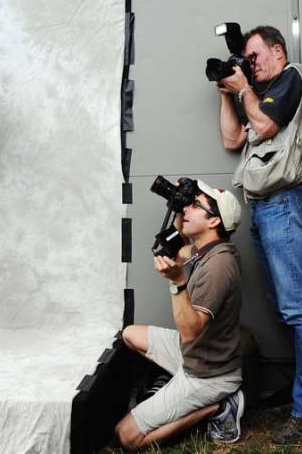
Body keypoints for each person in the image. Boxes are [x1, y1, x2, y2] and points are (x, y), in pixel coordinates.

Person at [216, 25, 302, 443]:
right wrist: (227, 92)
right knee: (288, 307)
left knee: (300, 308)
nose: (249, 65)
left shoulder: (294, 77)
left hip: (288, 201)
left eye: (254, 57)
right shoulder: (260, 97)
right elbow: (234, 137)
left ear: (278, 52)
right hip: (267, 207)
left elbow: (265, 127)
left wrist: (245, 89)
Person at [115, 182, 245, 450]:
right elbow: (175, 244)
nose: (188, 208)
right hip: (196, 354)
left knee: (126, 436)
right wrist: (178, 204)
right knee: (129, 334)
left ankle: (217, 407)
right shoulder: (206, 249)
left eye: (196, 206)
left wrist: (176, 282)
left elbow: (190, 331)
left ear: (215, 220)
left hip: (209, 374)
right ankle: (175, 388)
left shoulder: (218, 266)